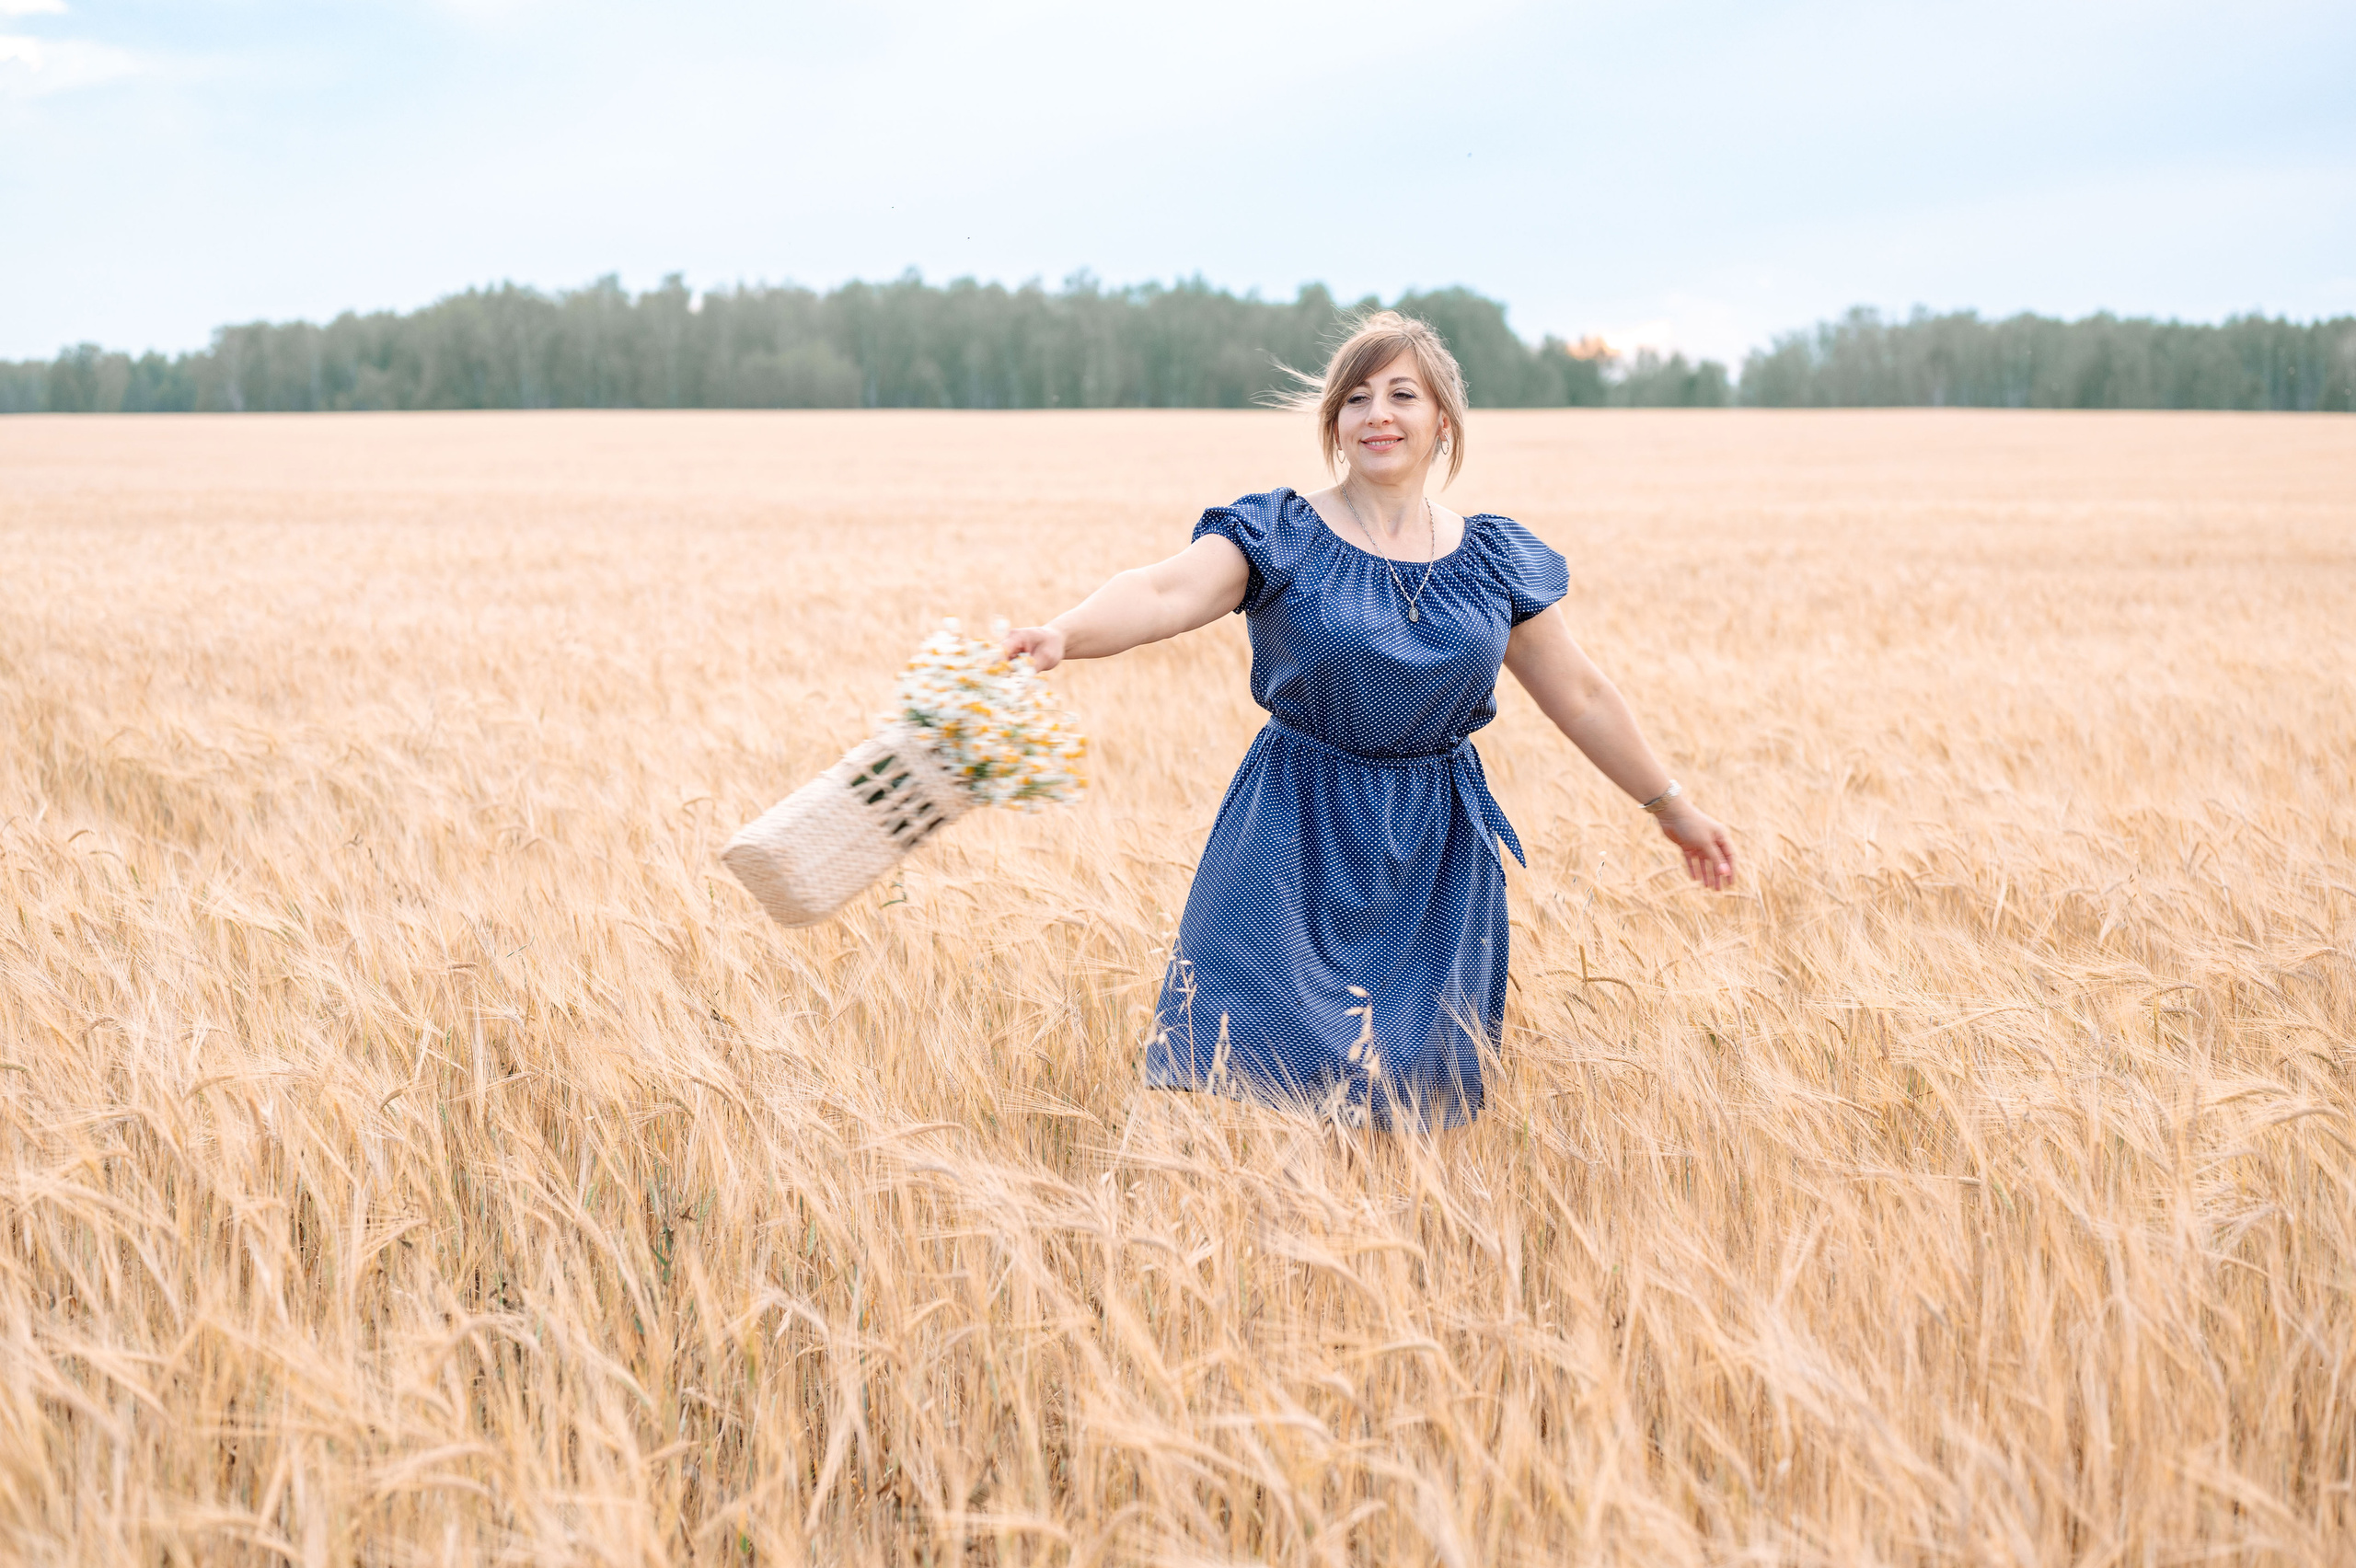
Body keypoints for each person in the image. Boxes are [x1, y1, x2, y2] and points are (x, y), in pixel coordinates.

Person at [1003, 312, 1736, 1128]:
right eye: (1355, 398)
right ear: (1335, 424)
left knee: (1411, 1104)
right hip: (1289, 835)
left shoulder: (1491, 559)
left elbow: (1583, 695)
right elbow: (1165, 590)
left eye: (1401, 395)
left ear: (1442, 423)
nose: (1377, 414)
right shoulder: (1282, 533)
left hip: (1437, 854)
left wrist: (1671, 806)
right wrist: (1065, 634)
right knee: (1250, 1083)